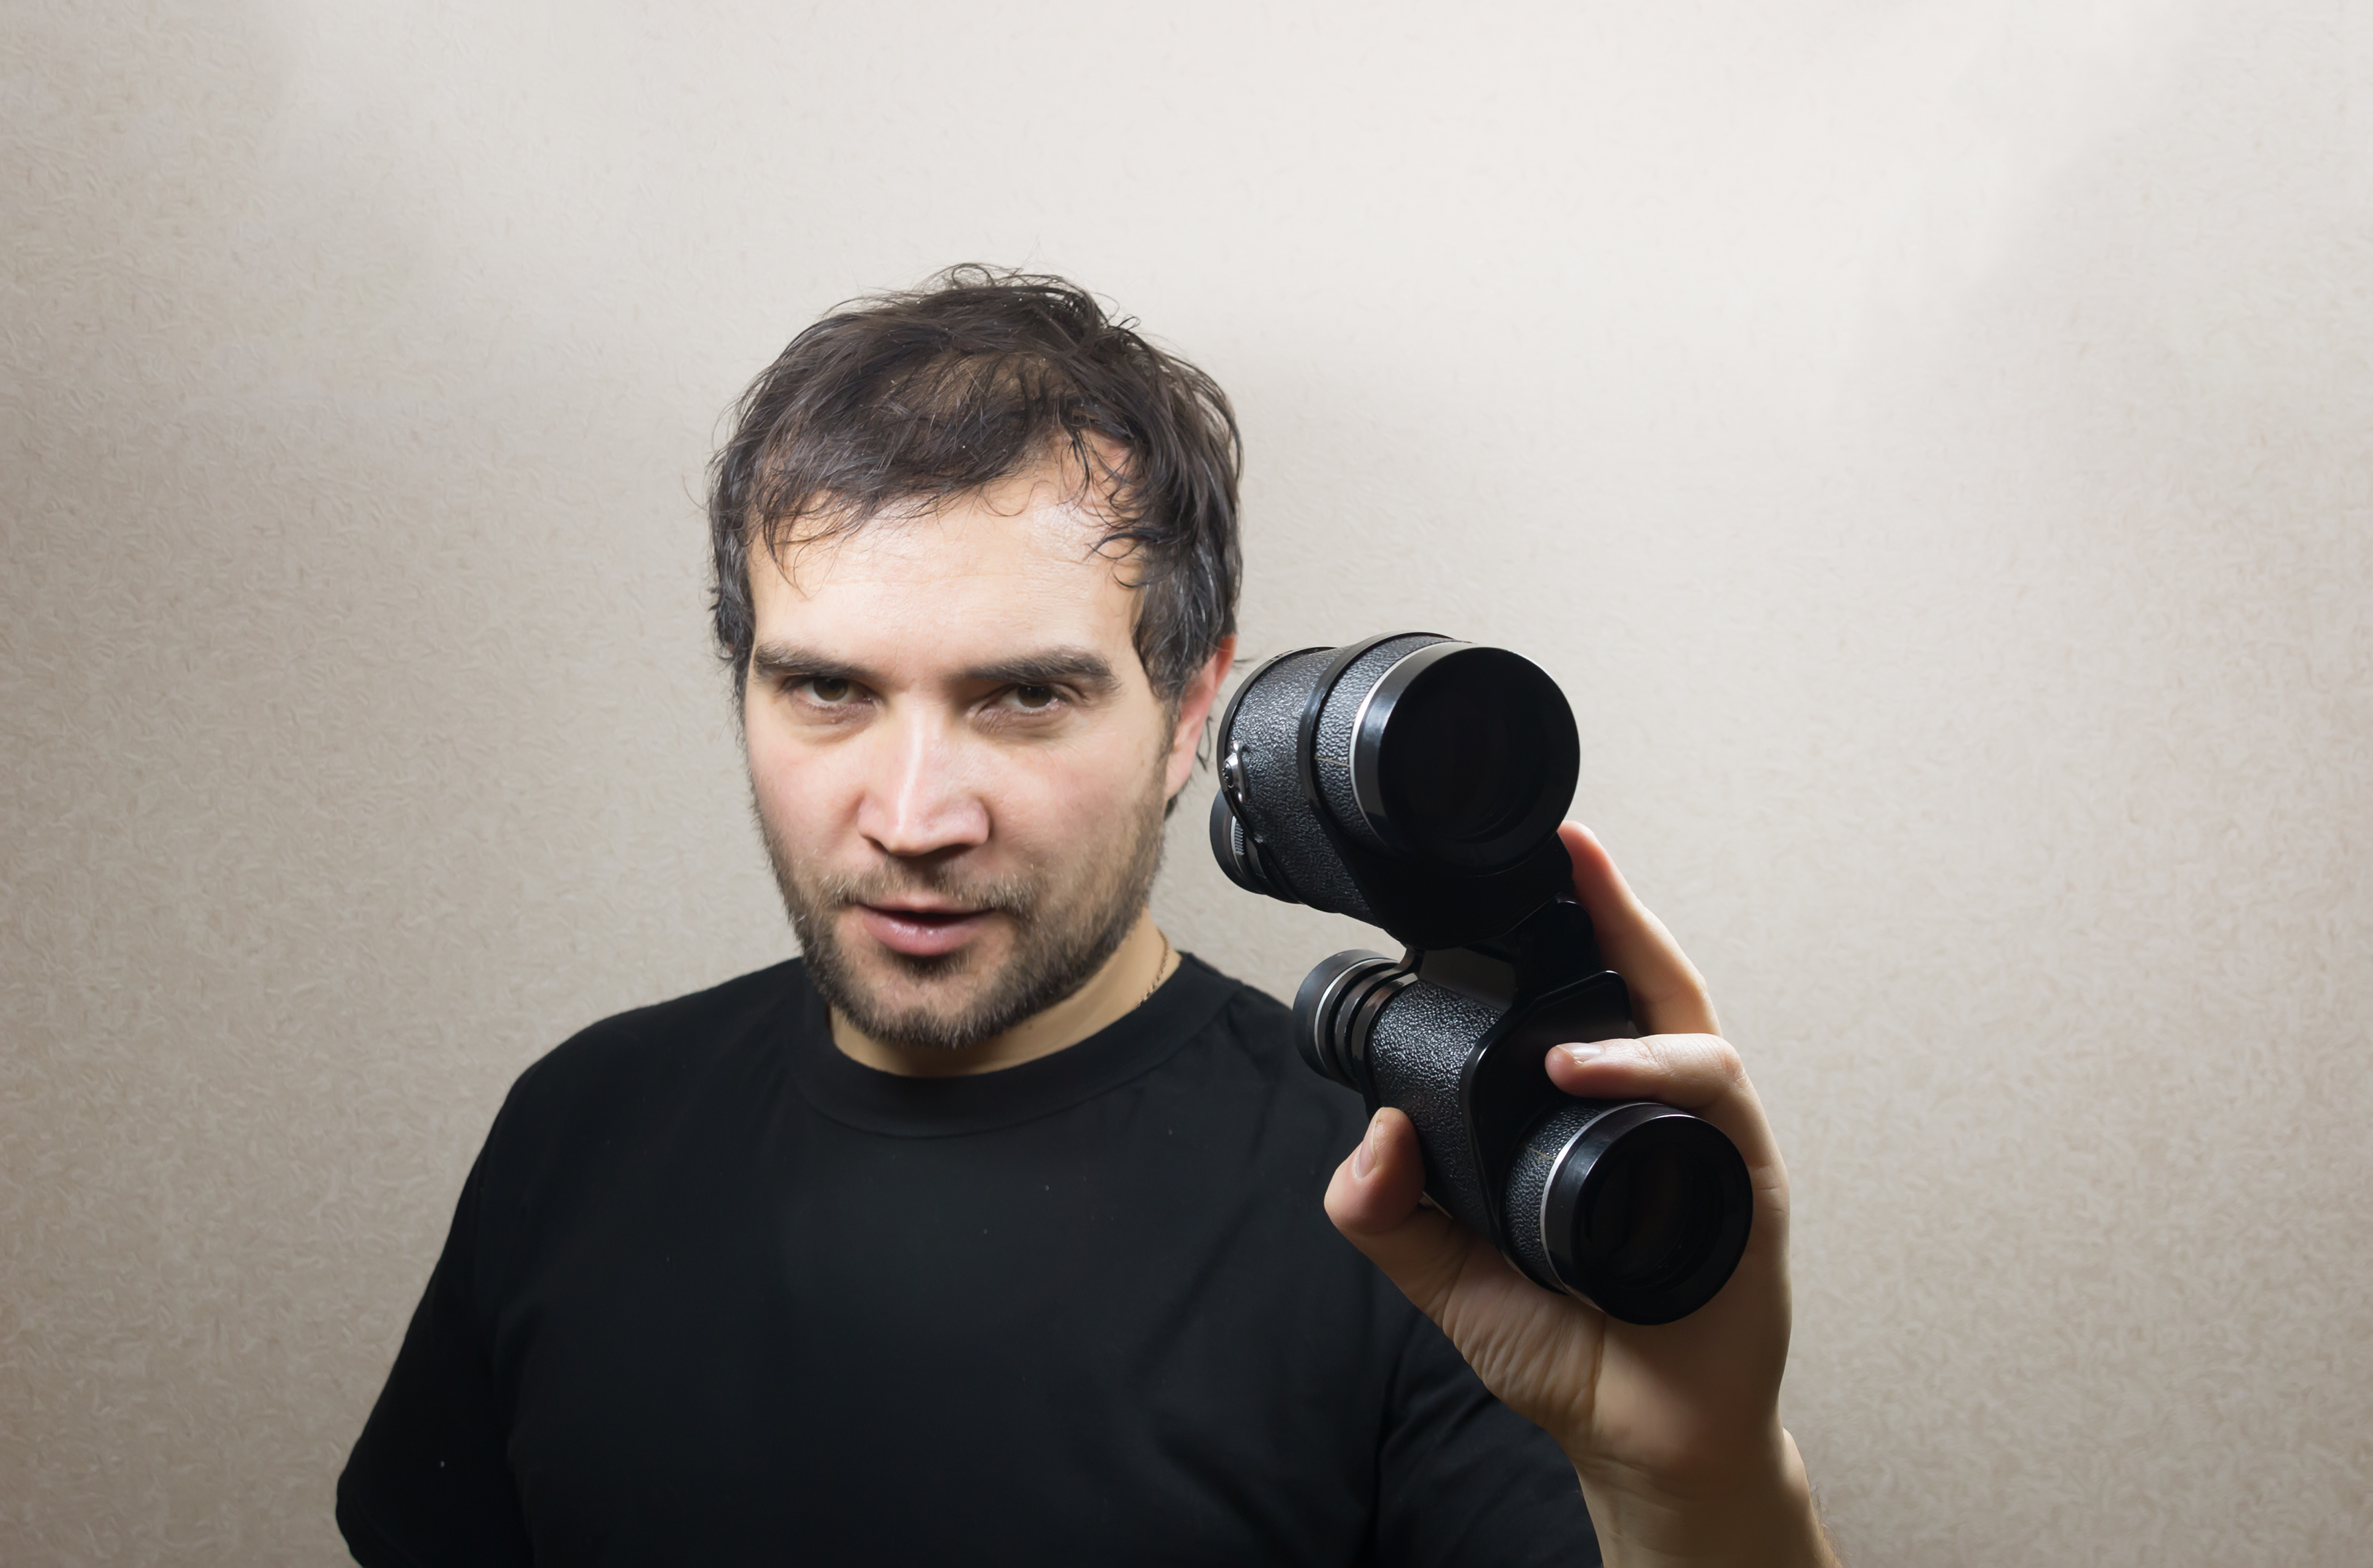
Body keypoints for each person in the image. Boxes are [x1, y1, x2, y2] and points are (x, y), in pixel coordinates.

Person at [338, 268, 1837, 1567]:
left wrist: (1696, 1482)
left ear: (1194, 710)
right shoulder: (577, 1124)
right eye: (827, 688)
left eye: (1026, 694)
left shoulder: (1409, 1201)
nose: (916, 813)